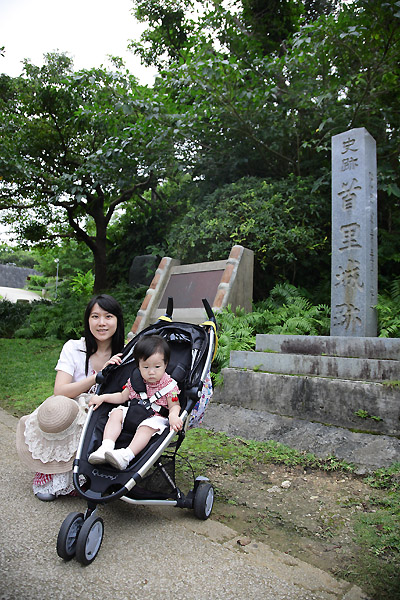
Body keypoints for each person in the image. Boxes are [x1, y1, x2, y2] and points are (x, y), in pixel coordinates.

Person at [16, 294, 125, 501]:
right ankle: (51, 474)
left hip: (106, 407)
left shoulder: (125, 353)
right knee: (62, 413)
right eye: (95, 316)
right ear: (87, 320)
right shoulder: (74, 347)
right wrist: (98, 376)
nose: (101, 323)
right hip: (71, 405)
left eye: (108, 316)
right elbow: (60, 390)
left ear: (118, 320)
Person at [88, 334, 183, 470]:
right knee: (116, 413)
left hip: (155, 417)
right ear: (138, 366)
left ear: (165, 365)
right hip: (134, 411)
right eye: (146, 367)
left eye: (157, 367)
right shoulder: (135, 380)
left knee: (147, 427)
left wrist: (173, 416)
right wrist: (103, 397)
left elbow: (174, 405)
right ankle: (106, 447)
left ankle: (126, 456)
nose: (151, 372)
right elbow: (122, 397)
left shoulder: (169, 386)